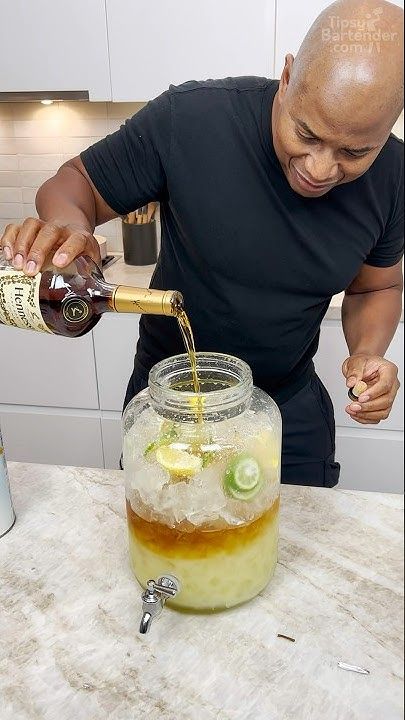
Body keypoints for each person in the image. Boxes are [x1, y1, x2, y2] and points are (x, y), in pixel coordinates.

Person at [1, 0, 403, 487]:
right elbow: (73, 183)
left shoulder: (393, 177)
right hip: (170, 403)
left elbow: (375, 287)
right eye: (305, 133)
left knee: (289, 555)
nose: (319, 169)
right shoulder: (191, 119)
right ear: (287, 78)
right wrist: (74, 229)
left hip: (285, 409)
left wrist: (368, 352)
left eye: (354, 152)